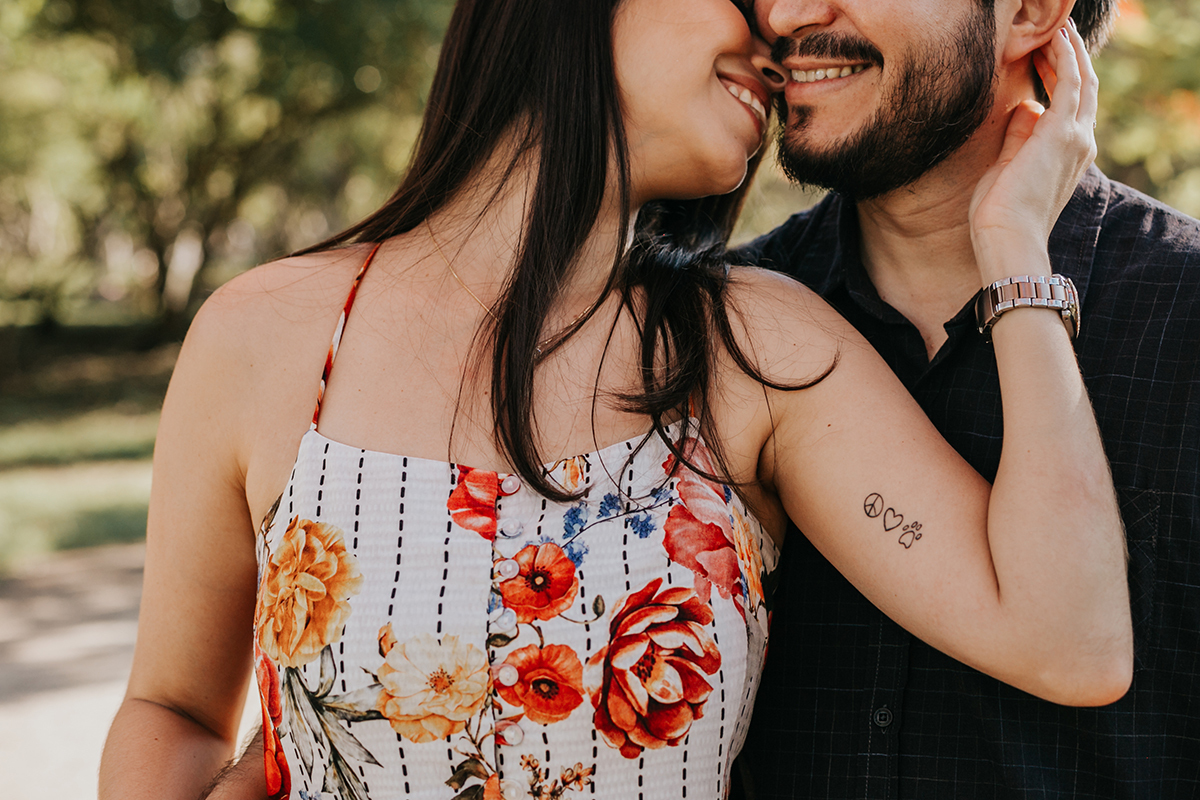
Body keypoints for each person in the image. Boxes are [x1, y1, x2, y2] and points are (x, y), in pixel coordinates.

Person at [99, 1, 1129, 799]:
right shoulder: (266, 336)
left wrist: (1016, 254)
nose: (775, 25)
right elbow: (173, 704)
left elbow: (1069, 638)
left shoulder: (752, 349)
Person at [732, 0, 1200, 797]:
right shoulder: (718, 337)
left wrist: (1011, 248)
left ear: (1029, 12)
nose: (786, 12)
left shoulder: (1185, 317)